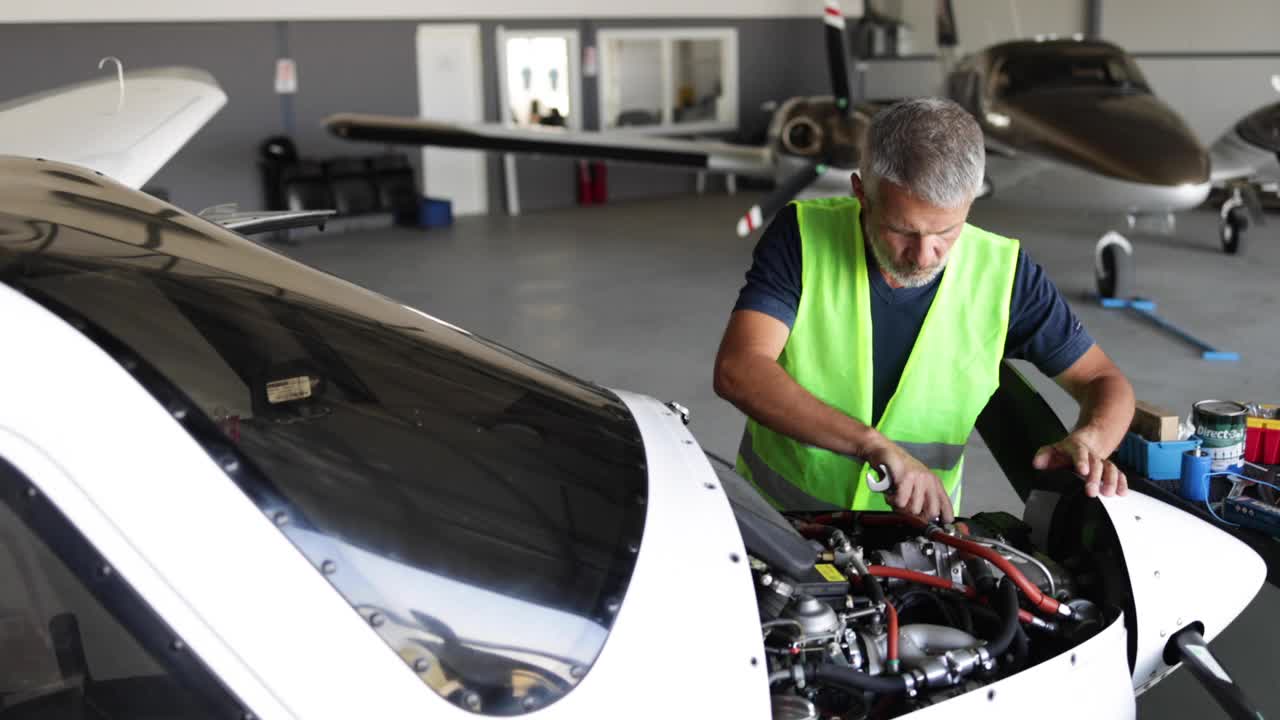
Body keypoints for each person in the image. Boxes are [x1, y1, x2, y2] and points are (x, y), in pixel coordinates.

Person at [713, 97, 1135, 523]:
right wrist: (871, 444)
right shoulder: (801, 237)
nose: (923, 255)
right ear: (861, 192)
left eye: (946, 232)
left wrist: (1092, 441)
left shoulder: (1007, 275)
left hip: (919, 541)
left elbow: (1102, 378)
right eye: (902, 231)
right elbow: (739, 368)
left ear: (971, 201)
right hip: (780, 525)